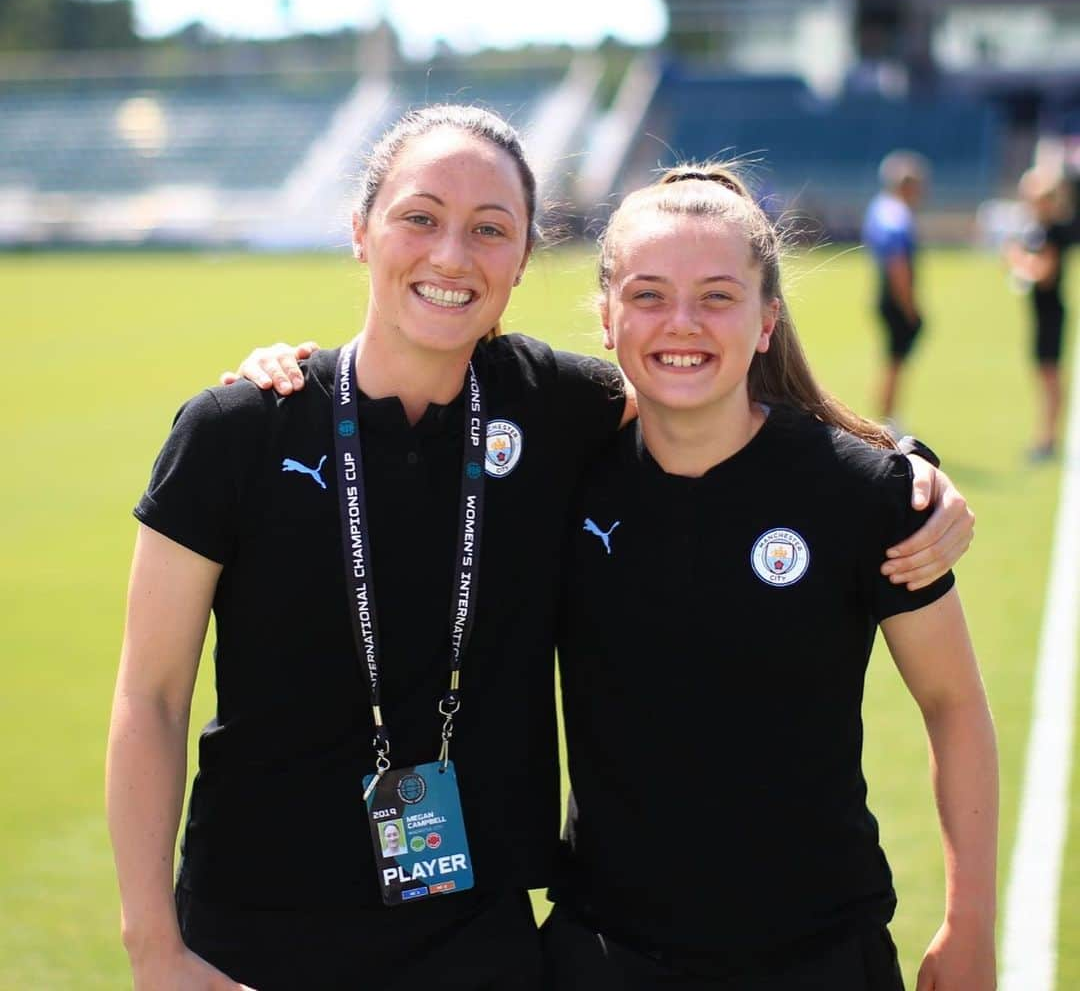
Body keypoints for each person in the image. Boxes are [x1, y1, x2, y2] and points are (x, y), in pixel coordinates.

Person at [111, 103, 969, 991]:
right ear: (361, 230)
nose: (451, 256)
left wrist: (904, 467)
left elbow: (712, 395)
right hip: (255, 933)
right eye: (420, 217)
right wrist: (156, 952)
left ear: (524, 259)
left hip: (478, 940)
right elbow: (151, 695)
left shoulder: (552, 406)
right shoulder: (238, 430)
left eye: (491, 229)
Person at [541, 165, 998, 990]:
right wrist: (284, 374)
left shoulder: (867, 493)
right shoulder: (557, 475)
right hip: (607, 957)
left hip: (819, 958)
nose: (682, 323)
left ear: (766, 321)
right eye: (648, 295)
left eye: (718, 295)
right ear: (606, 319)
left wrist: (970, 924)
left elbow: (953, 703)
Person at [1003, 165, 1074, 461]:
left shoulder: (1054, 231)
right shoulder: (1037, 229)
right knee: (1044, 375)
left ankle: (1048, 439)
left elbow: (1045, 273)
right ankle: (1045, 437)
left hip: (1051, 312)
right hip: (1041, 312)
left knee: (1050, 377)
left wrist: (1018, 260)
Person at [862, 150, 930, 432]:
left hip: (883, 294)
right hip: (894, 297)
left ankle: (887, 416)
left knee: (892, 361)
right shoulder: (897, 216)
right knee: (895, 362)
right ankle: (887, 420)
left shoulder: (880, 207)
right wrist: (910, 305)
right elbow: (898, 264)